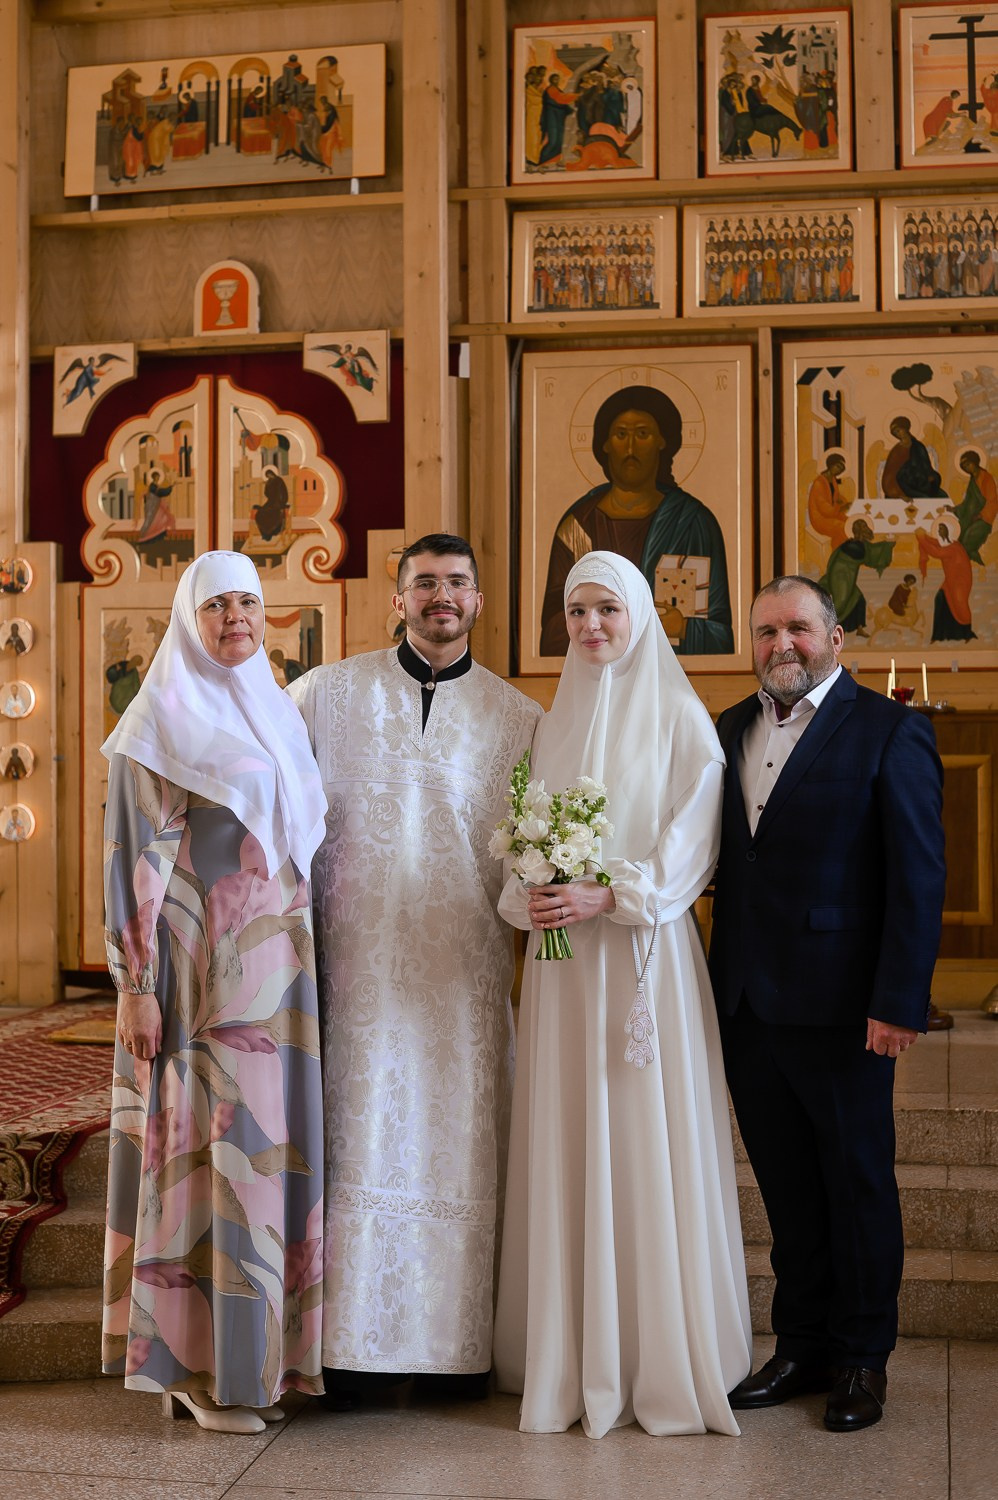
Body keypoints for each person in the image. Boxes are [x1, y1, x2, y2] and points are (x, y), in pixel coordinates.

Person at [493, 550, 752, 1438]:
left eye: (607, 608)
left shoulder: (683, 718)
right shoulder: (550, 724)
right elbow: (519, 835)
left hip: (644, 963)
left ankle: (655, 1353)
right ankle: (569, 1353)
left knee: (643, 1129)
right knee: (571, 1131)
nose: (591, 627)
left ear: (640, 613)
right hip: (565, 972)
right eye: (576, 612)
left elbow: (692, 851)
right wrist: (528, 893)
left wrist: (615, 894)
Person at [288, 533, 541, 1404]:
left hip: (459, 987)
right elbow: (267, 802)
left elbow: (531, 866)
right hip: (347, 976)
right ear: (396, 600)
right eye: (425, 583)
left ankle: (453, 1353)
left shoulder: (520, 719)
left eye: (458, 584)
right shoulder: (325, 694)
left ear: (478, 602)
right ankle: (347, 1352)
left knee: (457, 1145)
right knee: (352, 1142)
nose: (442, 596)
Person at [709, 575, 946, 1433]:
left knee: (855, 1187)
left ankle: (861, 1358)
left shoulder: (890, 731)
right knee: (786, 1190)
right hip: (746, 1003)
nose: (783, 645)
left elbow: (919, 878)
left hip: (845, 1008)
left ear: (834, 638)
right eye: (767, 631)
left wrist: (898, 1001)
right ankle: (801, 1344)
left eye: (799, 629)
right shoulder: (726, 729)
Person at [100, 550, 328, 1434]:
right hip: (199, 982)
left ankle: (261, 1360)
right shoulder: (155, 721)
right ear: (187, 617)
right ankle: (199, 1371)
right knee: (211, 1162)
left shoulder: (273, 708)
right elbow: (132, 866)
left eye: (250, 603)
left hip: (280, 980)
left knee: (264, 1163)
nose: (238, 618)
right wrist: (135, 986)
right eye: (218, 605)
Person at [539, 385, 734, 657]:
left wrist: (684, 628)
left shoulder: (693, 523)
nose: (630, 447)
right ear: (605, 443)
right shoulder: (578, 526)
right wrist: (616, 626)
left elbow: (722, 636)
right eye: (621, 435)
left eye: (642, 434)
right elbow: (552, 628)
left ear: (662, 441)